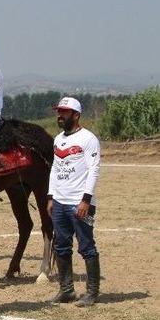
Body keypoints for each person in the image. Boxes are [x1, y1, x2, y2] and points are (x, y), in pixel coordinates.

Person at [47, 97, 102, 307]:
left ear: (76, 115)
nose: (60, 115)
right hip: (60, 203)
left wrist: (86, 200)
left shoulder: (88, 139)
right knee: (61, 246)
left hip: (79, 202)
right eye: (58, 111)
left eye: (65, 112)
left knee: (86, 246)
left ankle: (92, 292)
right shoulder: (58, 139)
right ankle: (66, 290)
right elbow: (55, 168)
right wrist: (51, 196)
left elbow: (94, 169)